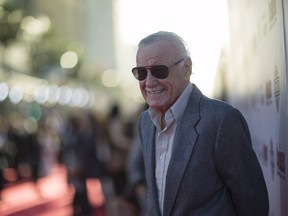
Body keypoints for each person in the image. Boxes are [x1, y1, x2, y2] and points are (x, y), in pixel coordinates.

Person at [130, 31, 269, 216]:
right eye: (141, 73)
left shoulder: (222, 120)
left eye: (159, 70)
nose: (149, 82)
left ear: (186, 68)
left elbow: (253, 205)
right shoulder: (145, 122)